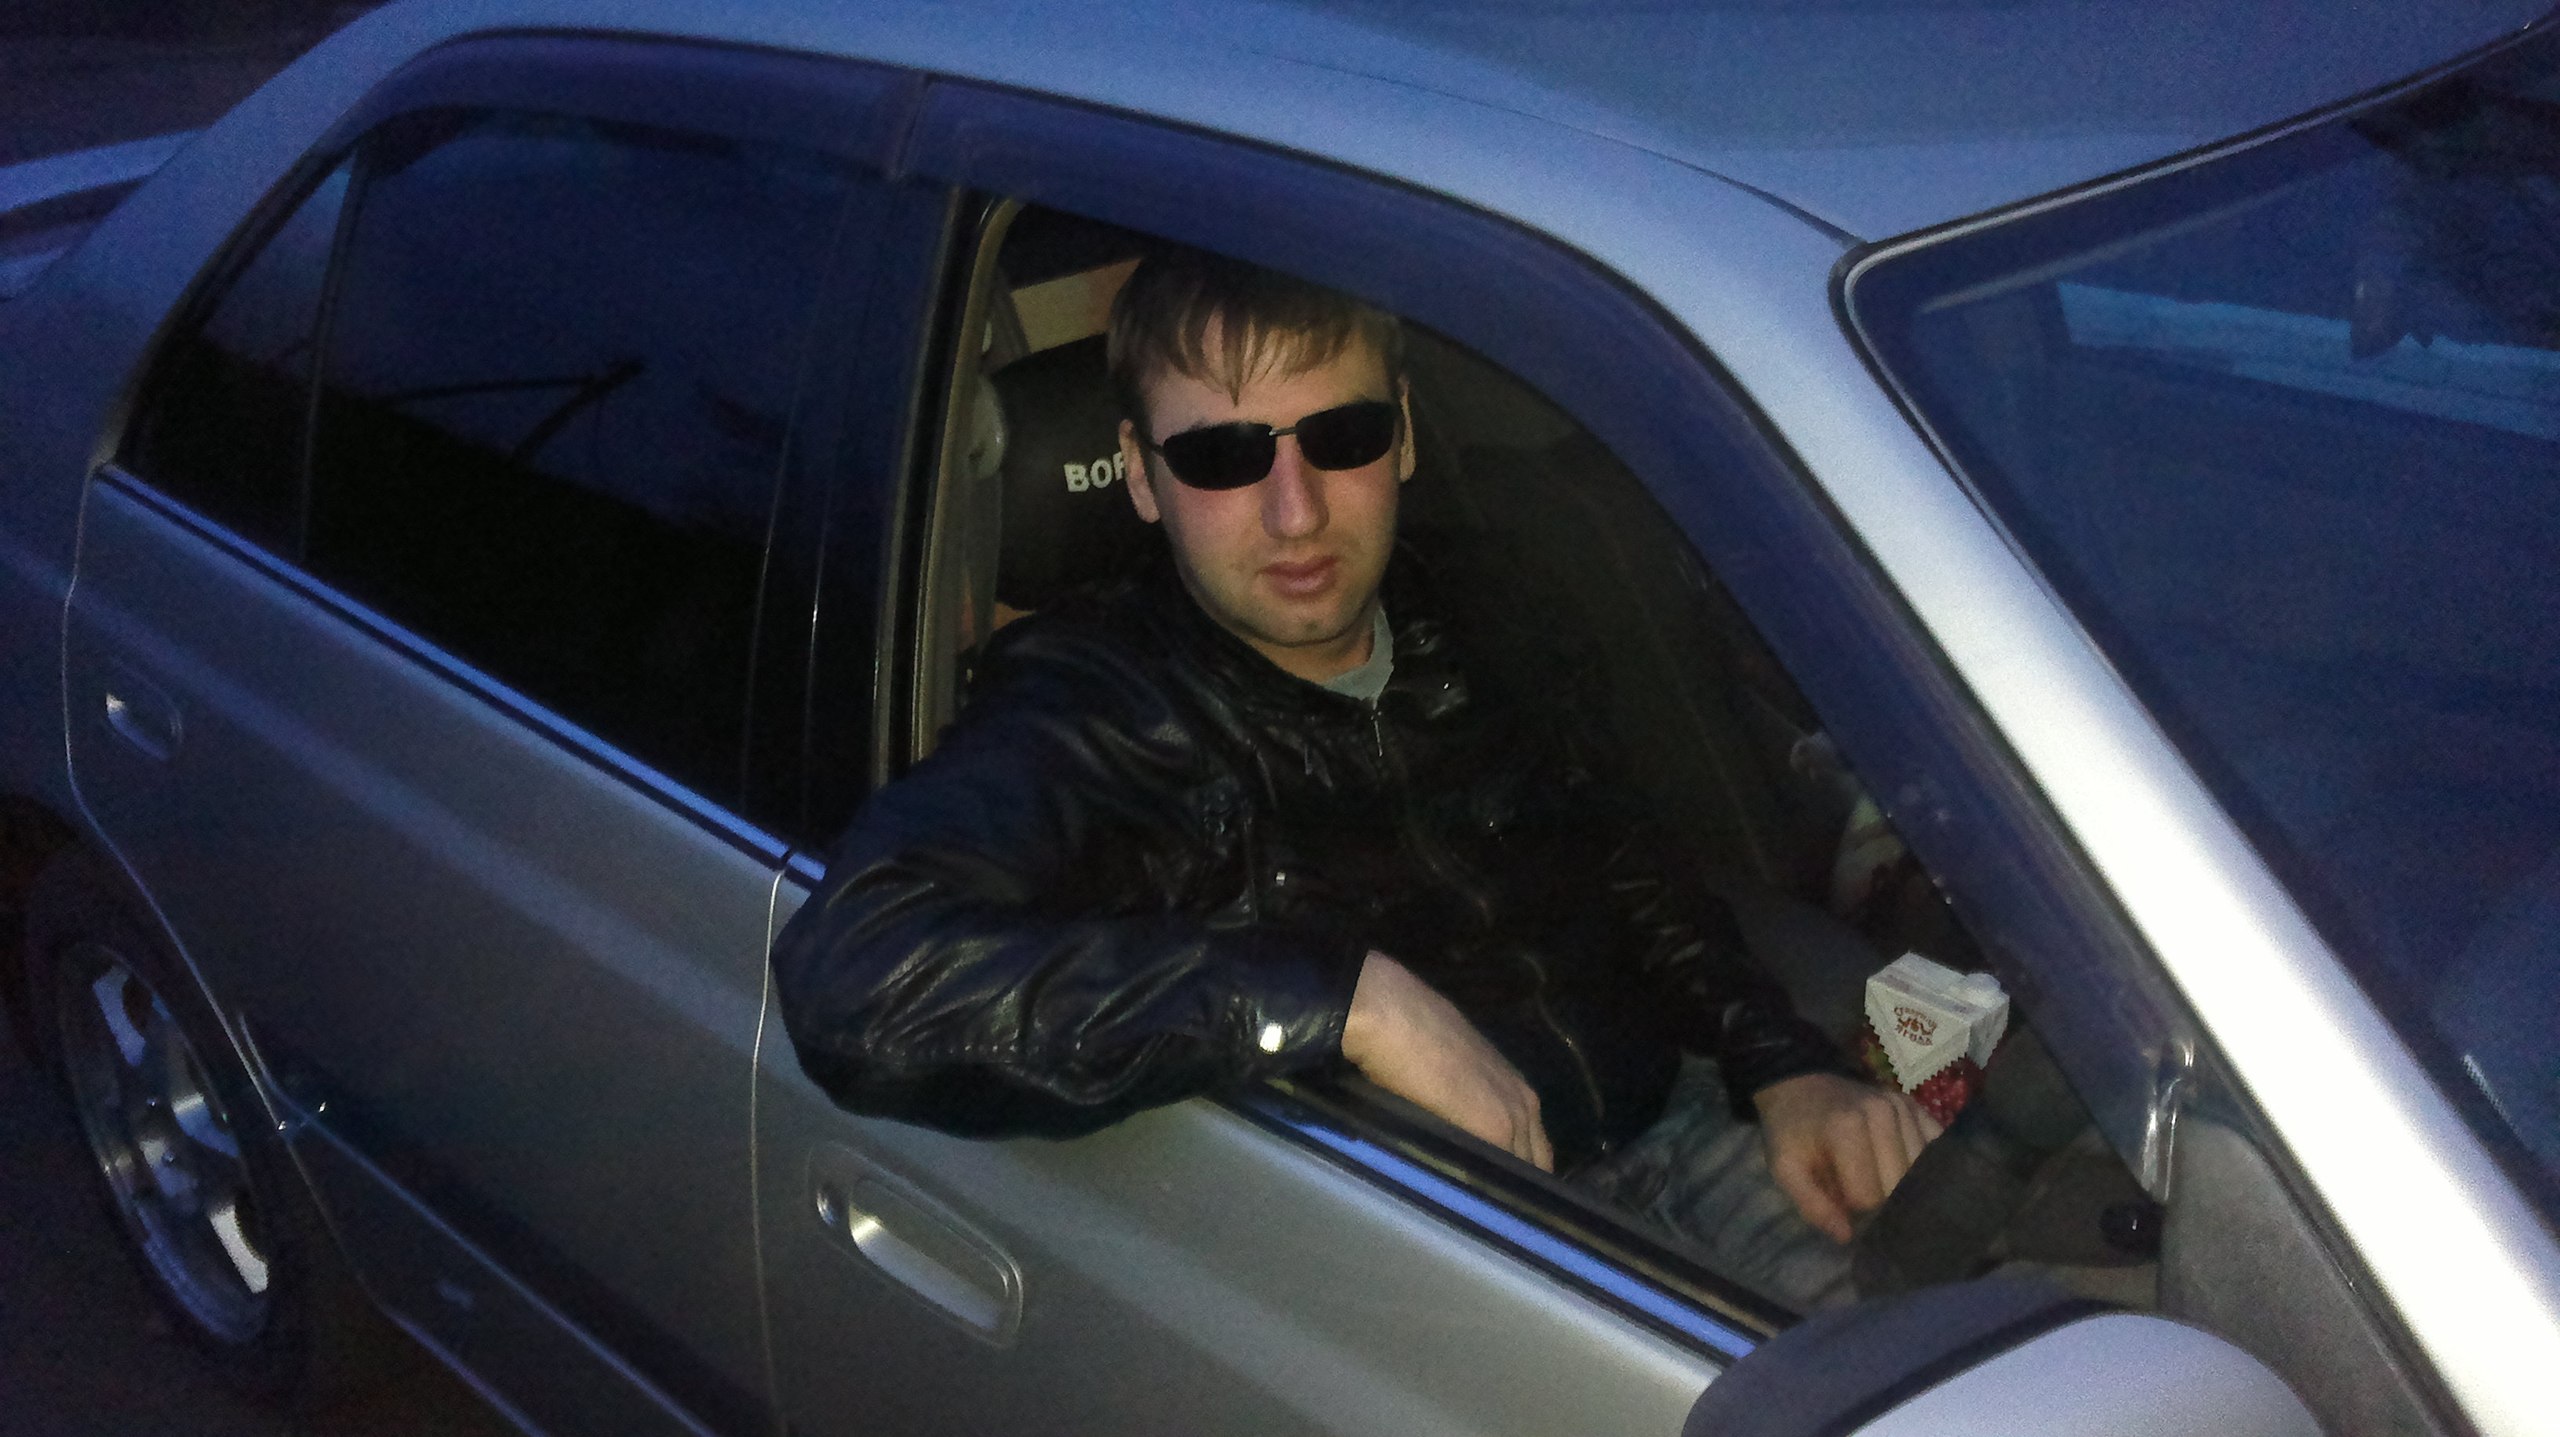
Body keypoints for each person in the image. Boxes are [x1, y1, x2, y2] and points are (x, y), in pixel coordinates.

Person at [772, 247, 1940, 1310]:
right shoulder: (1095, 704)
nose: (1296, 512)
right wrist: (1341, 1001)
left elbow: (1629, 861)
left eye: (1340, 437)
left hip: (1673, 1120)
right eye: (1222, 455)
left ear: (1405, 438)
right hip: (1425, 1236)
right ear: (1137, 475)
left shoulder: (1483, 604)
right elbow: (856, 976)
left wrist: (1780, 1066)